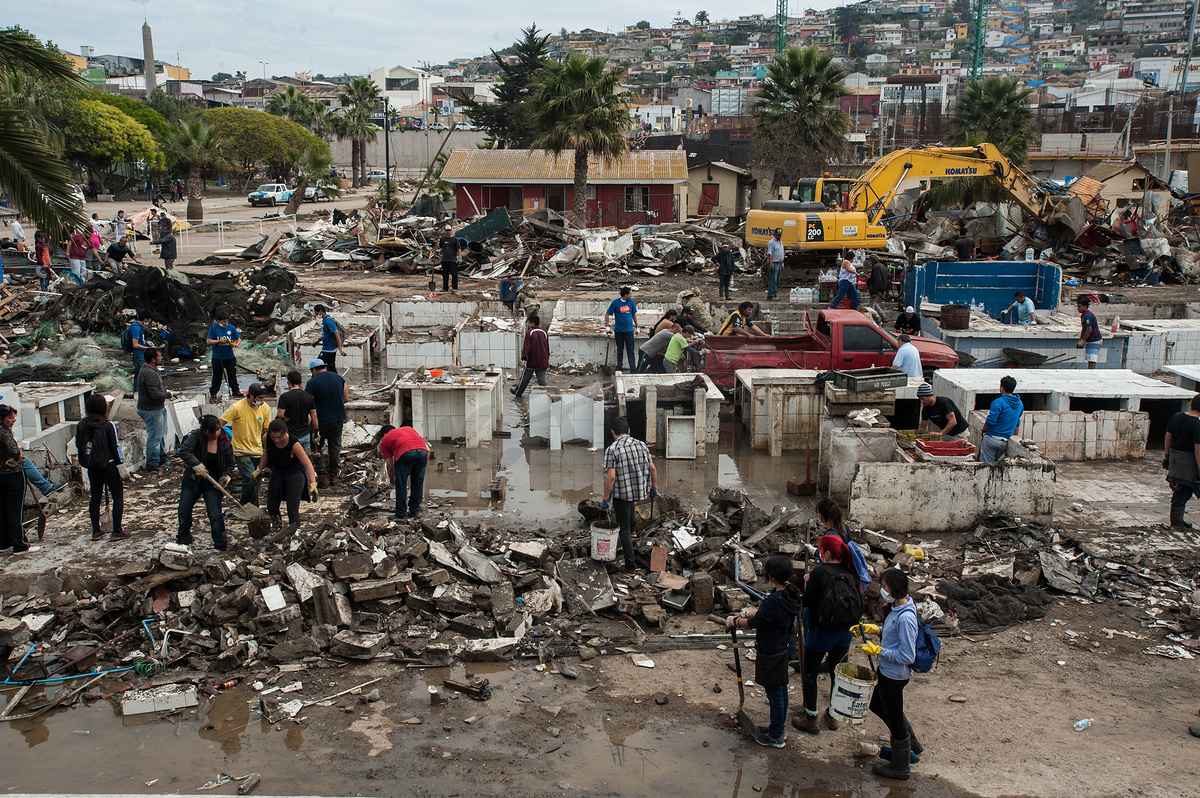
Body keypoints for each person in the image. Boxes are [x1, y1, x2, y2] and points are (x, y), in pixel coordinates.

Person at [728, 554, 801, 748]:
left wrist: (736, 622)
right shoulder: (790, 596)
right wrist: (746, 613)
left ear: (771, 576)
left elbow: (756, 622)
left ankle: (776, 734)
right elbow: (765, 614)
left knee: (775, 693)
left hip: (772, 650)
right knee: (781, 689)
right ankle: (777, 729)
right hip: (785, 647)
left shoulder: (775, 600)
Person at [793, 533, 860, 735]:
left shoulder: (820, 573)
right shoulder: (851, 573)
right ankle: (832, 714)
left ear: (827, 552)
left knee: (810, 673)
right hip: (845, 634)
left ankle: (811, 717)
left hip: (821, 633)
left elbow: (806, 602)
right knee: (837, 674)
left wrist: (805, 584)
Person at [862, 568, 921, 781]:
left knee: (894, 718)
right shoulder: (896, 608)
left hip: (895, 675)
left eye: (885, 587)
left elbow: (907, 655)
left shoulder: (906, 618)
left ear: (894, 588)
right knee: (878, 704)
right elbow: (892, 635)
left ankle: (900, 765)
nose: (882, 590)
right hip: (886, 670)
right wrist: (875, 630)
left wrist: (879, 651)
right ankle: (910, 744)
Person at [600, 417, 658, 575]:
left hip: (621, 494)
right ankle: (634, 532)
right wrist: (654, 487)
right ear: (629, 431)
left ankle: (630, 565)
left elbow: (611, 477)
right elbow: (652, 469)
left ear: (612, 432)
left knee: (622, 528)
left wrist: (605, 499)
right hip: (638, 491)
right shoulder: (641, 445)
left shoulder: (612, 449)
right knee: (630, 504)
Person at [177, 414, 235, 549]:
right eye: (212, 431)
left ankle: (220, 543)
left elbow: (230, 464)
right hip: (193, 479)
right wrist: (196, 464)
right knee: (184, 508)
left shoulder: (224, 441)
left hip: (213, 481)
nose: (216, 434)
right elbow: (184, 451)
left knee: (215, 514)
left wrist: (226, 476)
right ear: (204, 430)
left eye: (218, 430)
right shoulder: (196, 436)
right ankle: (184, 536)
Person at [76, 394, 128, 541]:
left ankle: (96, 531)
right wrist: (121, 465)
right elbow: (115, 446)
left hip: (92, 466)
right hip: (109, 464)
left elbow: (78, 444)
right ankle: (117, 530)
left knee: (95, 497)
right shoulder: (108, 425)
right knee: (117, 496)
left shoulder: (81, 424)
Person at [254, 419, 318, 527]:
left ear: (286, 432)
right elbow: (266, 453)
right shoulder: (266, 438)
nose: (277, 440)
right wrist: (260, 468)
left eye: (279, 437)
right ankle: (277, 528)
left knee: (292, 510)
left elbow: (307, 464)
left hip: (295, 473)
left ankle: (295, 535)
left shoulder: (294, 444)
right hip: (277, 472)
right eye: (274, 437)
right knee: (272, 507)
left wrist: (312, 482)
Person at [220, 382, 272, 506]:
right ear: (251, 396)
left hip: (257, 450)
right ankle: (244, 503)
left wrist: (267, 449)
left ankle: (253, 505)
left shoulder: (265, 408)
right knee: (250, 478)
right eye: (260, 398)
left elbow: (266, 431)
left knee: (257, 478)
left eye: (264, 398)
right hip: (241, 450)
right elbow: (221, 422)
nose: (262, 401)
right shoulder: (237, 408)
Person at [0, 405, 41, 555]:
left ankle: (4, 543)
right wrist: (17, 458)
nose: (13, 420)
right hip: (12, 476)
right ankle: (20, 545)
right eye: (10, 418)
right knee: (15, 511)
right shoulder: (4, 433)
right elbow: (14, 450)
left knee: (2, 511)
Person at [306, 359, 349, 486]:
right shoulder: (339, 379)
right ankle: (334, 476)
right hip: (337, 419)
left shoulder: (312, 383)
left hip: (320, 421)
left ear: (313, 370)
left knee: (316, 446)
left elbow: (309, 405)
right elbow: (346, 399)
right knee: (335, 447)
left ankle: (322, 476)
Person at [1163, 395, 1200, 528]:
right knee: (1183, 492)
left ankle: (1178, 520)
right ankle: (1177, 523)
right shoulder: (1197, 424)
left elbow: (1168, 437)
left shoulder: (1176, 416)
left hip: (1174, 457)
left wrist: (1167, 456)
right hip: (1188, 462)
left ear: (1191, 404)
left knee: (1179, 489)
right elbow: (1198, 450)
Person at [381, 424, 431, 519]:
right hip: (422, 453)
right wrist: (423, 465)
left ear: (384, 434)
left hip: (405, 454)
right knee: (417, 483)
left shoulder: (385, 439)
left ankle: (401, 513)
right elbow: (428, 450)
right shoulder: (409, 429)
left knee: (401, 484)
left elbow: (390, 466)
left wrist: (392, 481)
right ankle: (414, 509)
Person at [136, 348, 170, 472]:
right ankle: (152, 463)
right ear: (153, 359)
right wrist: (168, 395)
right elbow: (154, 394)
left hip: (156, 408)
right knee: (155, 437)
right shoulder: (149, 373)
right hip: (151, 410)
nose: (162, 358)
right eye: (160, 356)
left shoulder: (151, 369)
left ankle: (161, 457)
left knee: (160, 435)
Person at [980, 374, 1023, 462]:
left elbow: (991, 421)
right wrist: (1014, 437)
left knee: (986, 466)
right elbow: (1017, 423)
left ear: (1002, 388)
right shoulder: (1019, 404)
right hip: (1005, 442)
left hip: (992, 439)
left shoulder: (998, 402)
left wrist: (983, 428)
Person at [206, 309, 242, 400]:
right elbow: (208, 341)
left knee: (232, 374)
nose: (226, 323)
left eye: (227, 321)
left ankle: (235, 391)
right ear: (219, 321)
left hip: (230, 357)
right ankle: (214, 392)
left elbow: (238, 338)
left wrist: (236, 344)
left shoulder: (231, 328)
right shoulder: (213, 329)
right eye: (224, 321)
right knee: (217, 375)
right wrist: (218, 341)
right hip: (218, 357)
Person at [277, 370, 317, 450]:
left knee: (290, 460)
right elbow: (314, 418)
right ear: (301, 382)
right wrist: (315, 433)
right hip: (305, 434)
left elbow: (280, 417)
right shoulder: (309, 397)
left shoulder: (284, 397)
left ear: (288, 382)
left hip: (290, 435)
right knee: (302, 460)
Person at [512, 315, 549, 398]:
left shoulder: (530, 333)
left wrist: (524, 357)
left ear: (532, 323)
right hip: (542, 361)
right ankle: (546, 395)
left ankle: (518, 393)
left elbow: (526, 347)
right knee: (542, 380)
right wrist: (546, 359)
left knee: (525, 379)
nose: (528, 324)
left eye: (528, 323)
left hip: (532, 360)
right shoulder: (544, 333)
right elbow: (547, 348)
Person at [604, 287, 639, 372]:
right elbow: (607, 314)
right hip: (619, 331)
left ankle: (633, 368)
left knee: (630, 350)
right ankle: (619, 367)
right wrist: (607, 326)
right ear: (625, 295)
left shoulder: (631, 302)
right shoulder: (616, 302)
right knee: (620, 349)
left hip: (629, 330)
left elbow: (633, 314)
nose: (631, 295)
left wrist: (637, 326)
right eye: (630, 294)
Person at [314, 305, 347, 372]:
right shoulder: (325, 320)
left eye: (316, 313)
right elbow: (327, 334)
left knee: (317, 366)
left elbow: (336, 333)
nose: (316, 315)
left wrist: (340, 347)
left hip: (329, 349)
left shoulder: (328, 321)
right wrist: (318, 340)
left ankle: (315, 381)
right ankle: (333, 381)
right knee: (330, 367)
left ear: (320, 312)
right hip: (327, 348)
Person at [436, 224, 464, 292]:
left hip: (453, 260)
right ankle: (445, 287)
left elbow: (459, 248)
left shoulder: (455, 239)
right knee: (445, 275)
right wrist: (435, 242)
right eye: (446, 230)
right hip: (445, 260)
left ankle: (455, 287)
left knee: (454, 275)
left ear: (451, 231)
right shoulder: (443, 239)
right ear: (445, 231)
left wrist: (459, 257)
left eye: (449, 230)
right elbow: (439, 247)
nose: (448, 232)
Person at [1076, 297, 1102, 370]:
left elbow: (1089, 330)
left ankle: (1091, 373)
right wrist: (1080, 339)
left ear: (1085, 306)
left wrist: (1083, 340)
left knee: (1092, 359)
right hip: (1090, 340)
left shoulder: (1087, 316)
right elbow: (1083, 329)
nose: (1078, 309)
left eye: (1079, 307)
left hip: (1094, 339)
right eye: (1077, 307)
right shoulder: (1083, 315)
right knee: (1089, 357)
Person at [128, 310, 152, 386]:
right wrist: (146, 348)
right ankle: (137, 391)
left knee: (140, 374)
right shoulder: (136, 328)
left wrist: (146, 343)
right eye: (149, 319)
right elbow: (135, 344)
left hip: (141, 354)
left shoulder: (140, 327)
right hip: (138, 355)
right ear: (145, 319)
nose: (150, 321)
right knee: (140, 375)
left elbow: (140, 340)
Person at [765, 227, 785, 300]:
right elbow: (769, 254)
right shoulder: (771, 243)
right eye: (778, 235)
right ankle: (771, 295)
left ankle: (775, 294)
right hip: (774, 263)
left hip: (779, 263)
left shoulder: (780, 241)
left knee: (777, 280)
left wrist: (782, 262)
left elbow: (781, 252)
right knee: (772, 280)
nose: (779, 236)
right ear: (775, 234)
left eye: (780, 235)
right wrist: (771, 264)